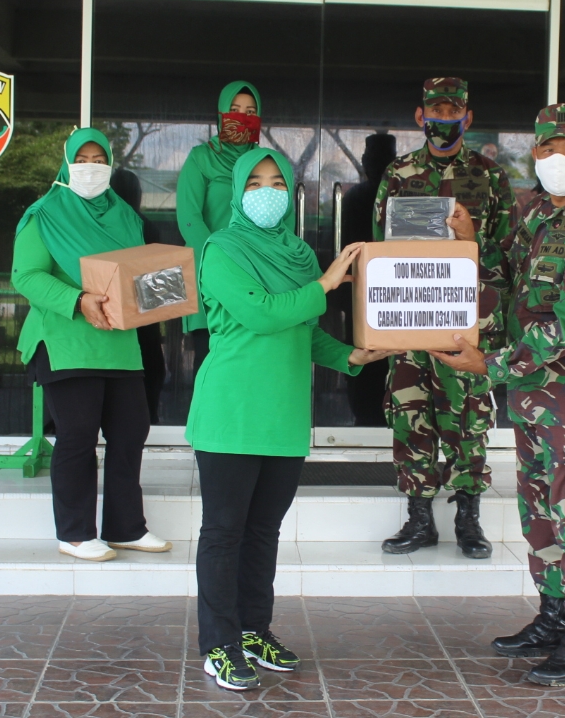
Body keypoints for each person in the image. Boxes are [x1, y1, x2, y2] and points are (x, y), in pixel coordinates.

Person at [431, 104, 565, 686]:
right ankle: (553, 615)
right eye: (546, 149)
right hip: (533, 396)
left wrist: (488, 363)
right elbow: (509, 280)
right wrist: (470, 245)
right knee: (541, 510)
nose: (555, 160)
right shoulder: (534, 212)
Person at [186, 147, 394, 691]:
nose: (265, 191)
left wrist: (349, 356)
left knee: (263, 532)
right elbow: (261, 313)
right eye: (253, 181)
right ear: (236, 191)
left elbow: (300, 330)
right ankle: (219, 644)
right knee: (224, 532)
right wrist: (325, 286)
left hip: (281, 417)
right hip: (230, 412)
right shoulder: (221, 249)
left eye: (275, 181)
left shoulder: (299, 255)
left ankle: (254, 629)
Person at [12, 127, 171, 562]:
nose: (91, 167)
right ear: (67, 163)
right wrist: (77, 300)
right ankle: (76, 533)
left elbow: (137, 274)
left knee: (129, 432)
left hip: (120, 341)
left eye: (99, 158)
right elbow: (25, 276)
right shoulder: (43, 214)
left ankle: (125, 527)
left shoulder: (124, 216)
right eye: (82, 158)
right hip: (66, 340)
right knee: (78, 435)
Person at [374, 77, 512, 559]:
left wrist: (473, 240)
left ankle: (468, 520)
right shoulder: (398, 174)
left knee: (468, 418)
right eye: (436, 110)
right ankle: (418, 521)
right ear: (420, 116)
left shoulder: (491, 177)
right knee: (411, 417)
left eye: (453, 111)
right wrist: (382, 325)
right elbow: (379, 253)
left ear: (467, 118)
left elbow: (509, 257)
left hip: (464, 323)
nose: (444, 119)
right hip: (411, 318)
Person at [177, 81, 265, 374]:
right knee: (213, 372)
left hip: (256, 279)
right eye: (234, 110)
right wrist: (218, 262)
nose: (242, 117)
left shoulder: (264, 166)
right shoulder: (201, 159)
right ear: (220, 114)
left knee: (250, 374)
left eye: (250, 111)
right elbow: (189, 217)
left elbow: (281, 220)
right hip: (210, 277)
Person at [342, 132, 397, 426]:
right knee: (362, 355)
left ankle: (371, 417)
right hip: (361, 289)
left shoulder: (397, 198)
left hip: (389, 291)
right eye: (370, 158)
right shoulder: (356, 197)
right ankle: (366, 418)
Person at [111, 168, 167, 424]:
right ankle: (149, 420)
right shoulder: (147, 227)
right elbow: (157, 281)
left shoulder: (103, 226)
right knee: (151, 371)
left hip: (107, 310)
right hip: (145, 313)